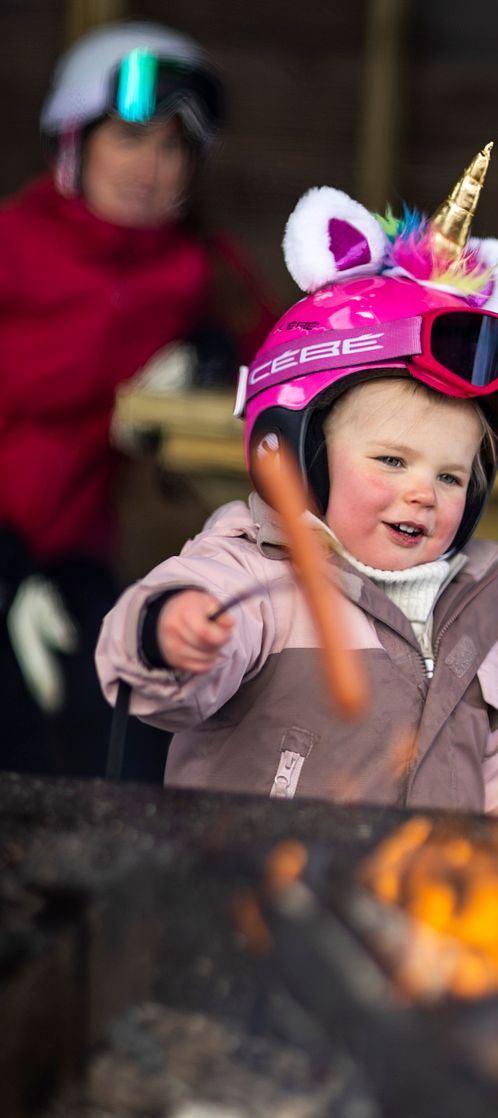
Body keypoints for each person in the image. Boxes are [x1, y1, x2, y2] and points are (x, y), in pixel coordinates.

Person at [96, 146, 498, 815]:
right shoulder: (258, 580)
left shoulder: (466, 617)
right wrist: (170, 633)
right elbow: (160, 663)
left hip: (414, 915)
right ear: (290, 451)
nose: (423, 492)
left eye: (453, 475)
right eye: (392, 461)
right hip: (252, 904)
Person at [0, 21, 276, 779]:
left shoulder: (197, 272)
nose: (150, 167)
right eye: (127, 137)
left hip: (76, 563)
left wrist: (215, 354)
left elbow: (286, 360)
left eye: (172, 145)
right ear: (73, 142)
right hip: (9, 552)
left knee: (129, 731)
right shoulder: (13, 246)